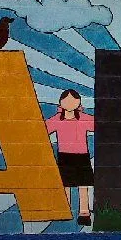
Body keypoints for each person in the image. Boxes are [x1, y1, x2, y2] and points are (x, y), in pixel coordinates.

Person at [46, 89, 94, 226]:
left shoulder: (83, 118)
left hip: (82, 156)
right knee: (65, 184)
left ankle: (84, 212)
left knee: (83, 185)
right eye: (66, 100)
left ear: (78, 103)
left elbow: (98, 124)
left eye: (73, 100)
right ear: (61, 102)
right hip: (64, 156)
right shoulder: (57, 119)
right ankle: (65, 210)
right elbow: (44, 129)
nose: (70, 103)